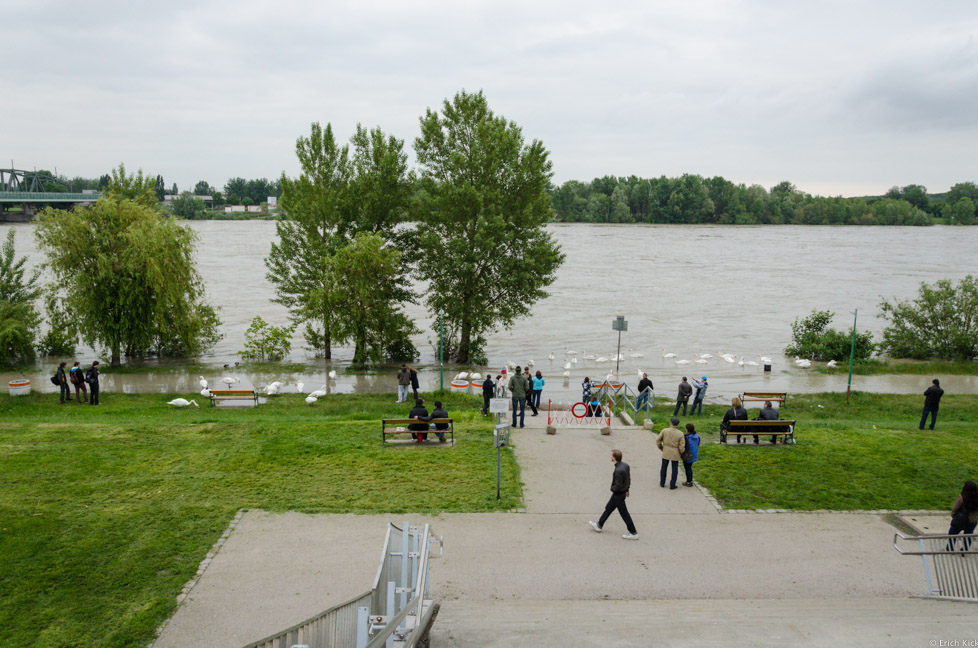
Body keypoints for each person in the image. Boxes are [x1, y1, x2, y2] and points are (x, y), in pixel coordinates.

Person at [588, 449, 639, 540]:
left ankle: (633, 532)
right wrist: (627, 489)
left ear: (614, 458)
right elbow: (628, 479)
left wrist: (612, 489)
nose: (610, 456)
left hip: (618, 495)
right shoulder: (625, 466)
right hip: (621, 492)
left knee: (624, 513)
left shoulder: (618, 470)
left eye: (611, 455)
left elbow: (618, 485)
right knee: (609, 508)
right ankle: (599, 524)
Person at [947, 480, 978, 551]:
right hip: (972, 520)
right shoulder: (976, 499)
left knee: (952, 533)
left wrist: (954, 516)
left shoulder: (961, 498)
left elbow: (954, 509)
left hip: (960, 520)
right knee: (968, 536)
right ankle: (964, 549)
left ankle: (950, 548)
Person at [657, 417, 685, 490]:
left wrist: (661, 447)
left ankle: (662, 483)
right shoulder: (680, 433)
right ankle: (672, 484)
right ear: (678, 424)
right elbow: (682, 445)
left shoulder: (664, 430)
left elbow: (658, 440)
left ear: (670, 423)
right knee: (674, 469)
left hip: (666, 450)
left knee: (664, 467)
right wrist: (681, 452)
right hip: (675, 452)